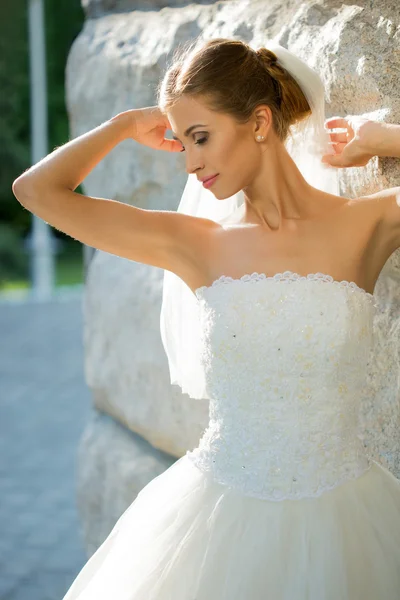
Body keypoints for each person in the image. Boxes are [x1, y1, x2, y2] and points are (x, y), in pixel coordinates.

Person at [12, 37, 400, 599]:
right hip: (219, 518)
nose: (191, 163)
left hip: (350, 511)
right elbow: (36, 191)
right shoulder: (194, 243)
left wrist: (384, 139)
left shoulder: (366, 223)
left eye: (201, 137)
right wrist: (124, 123)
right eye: (183, 141)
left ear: (260, 122)